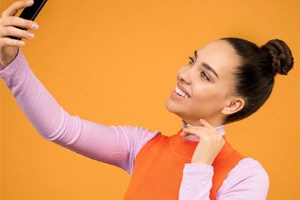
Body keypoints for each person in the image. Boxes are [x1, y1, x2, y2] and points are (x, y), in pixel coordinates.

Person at [0, 1, 294, 199]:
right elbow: (60, 128)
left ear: (232, 104)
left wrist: (201, 167)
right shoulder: (142, 146)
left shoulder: (246, 176)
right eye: (191, 61)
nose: (183, 74)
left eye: (205, 75)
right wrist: (10, 62)